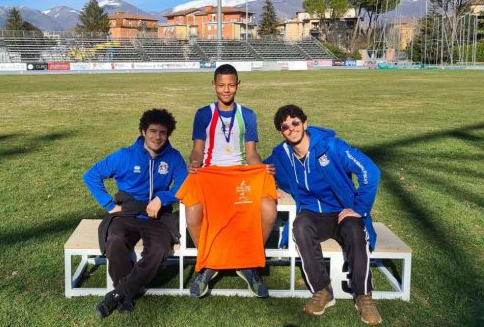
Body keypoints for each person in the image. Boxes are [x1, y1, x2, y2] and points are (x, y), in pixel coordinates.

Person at [266, 104, 382, 325]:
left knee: (355, 230)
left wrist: (359, 208)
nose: (291, 129)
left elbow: (370, 170)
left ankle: (363, 295)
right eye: (285, 126)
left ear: (305, 123)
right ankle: (322, 290)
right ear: (281, 132)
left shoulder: (331, 146)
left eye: (295, 123)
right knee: (300, 226)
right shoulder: (280, 154)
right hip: (312, 214)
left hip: (342, 212)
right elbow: (261, 169)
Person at [83, 108, 187, 318]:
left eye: (163, 133)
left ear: (168, 134)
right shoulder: (125, 156)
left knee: (159, 248)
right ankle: (126, 294)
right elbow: (91, 175)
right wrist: (109, 205)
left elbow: (185, 184)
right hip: (127, 212)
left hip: (158, 215)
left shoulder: (173, 157)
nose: (157, 137)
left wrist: (162, 198)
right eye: (153, 131)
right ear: (143, 131)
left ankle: (119, 294)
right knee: (114, 240)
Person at [185, 63, 277, 299]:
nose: (226, 90)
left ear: (238, 85)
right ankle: (208, 262)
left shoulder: (247, 115)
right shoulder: (204, 114)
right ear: (213, 85)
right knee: (193, 212)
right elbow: (198, 149)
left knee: (269, 209)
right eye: (221, 85)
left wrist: (261, 169)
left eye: (231, 85)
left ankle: (248, 262)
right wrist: (194, 163)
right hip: (211, 176)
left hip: (240, 177)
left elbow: (251, 153)